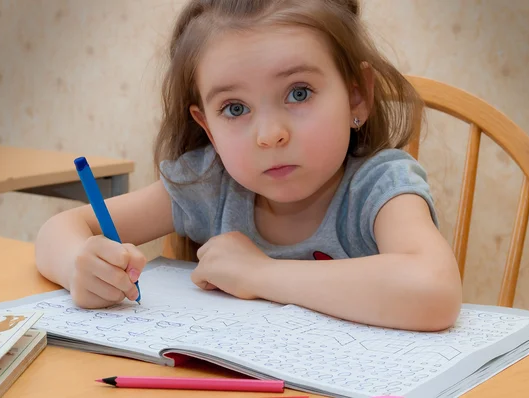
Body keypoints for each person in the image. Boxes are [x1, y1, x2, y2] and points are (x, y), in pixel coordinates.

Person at [35, 0, 462, 332]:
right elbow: (60, 230)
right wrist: (80, 267)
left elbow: (434, 289)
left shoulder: (380, 186)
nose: (269, 134)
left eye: (298, 93)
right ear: (207, 125)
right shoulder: (208, 183)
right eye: (235, 108)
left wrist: (261, 274)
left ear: (356, 97)